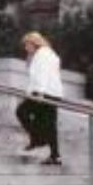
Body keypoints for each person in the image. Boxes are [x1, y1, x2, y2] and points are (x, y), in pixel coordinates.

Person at [16, 32, 64, 166]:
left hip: (43, 92)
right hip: (53, 93)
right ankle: (55, 156)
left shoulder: (41, 54)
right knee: (49, 124)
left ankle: (37, 139)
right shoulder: (51, 53)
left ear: (33, 43)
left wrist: (40, 93)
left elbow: (42, 74)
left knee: (21, 111)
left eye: (26, 44)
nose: (25, 48)